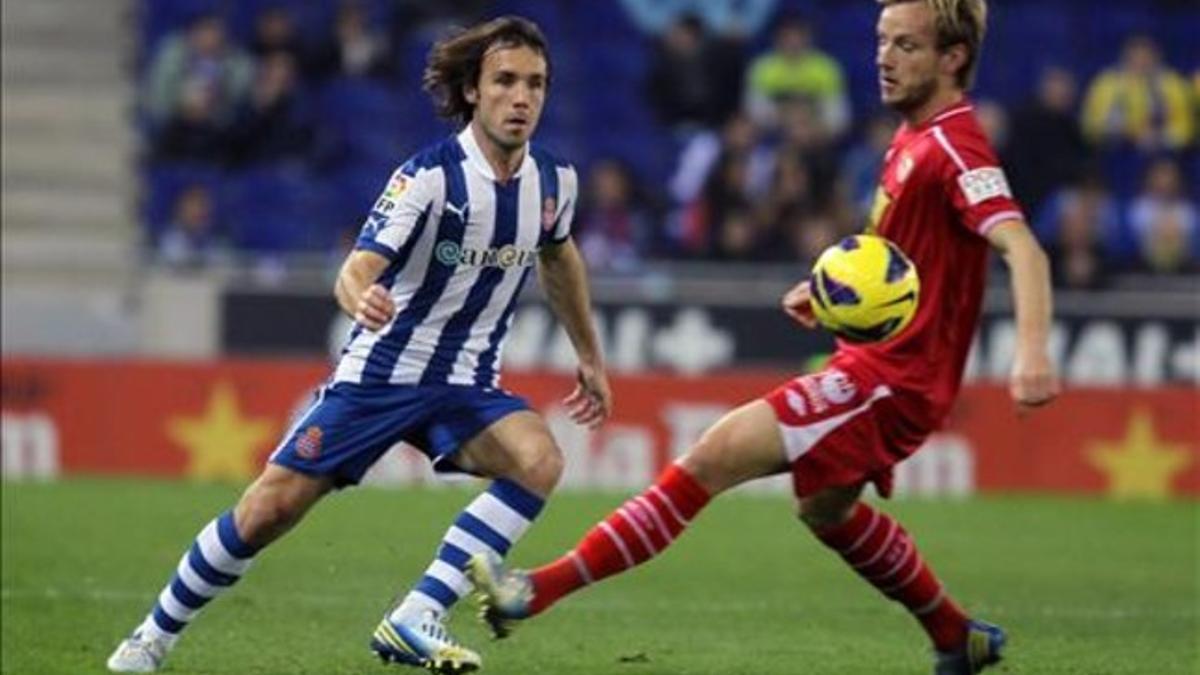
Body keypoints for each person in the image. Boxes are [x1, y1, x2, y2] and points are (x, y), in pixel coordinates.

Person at [468, 2, 1059, 674]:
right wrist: (831, 294)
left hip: (892, 376)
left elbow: (1024, 249)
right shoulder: (910, 138)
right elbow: (903, 261)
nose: (884, 58)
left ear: (952, 59)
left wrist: (1032, 351)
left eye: (907, 46)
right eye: (881, 42)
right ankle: (957, 635)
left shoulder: (955, 145)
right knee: (826, 510)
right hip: (883, 364)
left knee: (710, 458)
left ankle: (530, 591)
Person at [107, 16, 612, 674]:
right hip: (382, 374)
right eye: (505, 81)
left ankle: (416, 614)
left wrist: (590, 355)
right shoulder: (427, 177)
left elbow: (559, 255)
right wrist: (360, 297)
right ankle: (151, 636)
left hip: (465, 383)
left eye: (536, 84)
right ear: (471, 91)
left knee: (538, 458)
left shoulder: (556, 182)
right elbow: (357, 266)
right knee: (268, 509)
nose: (522, 98)